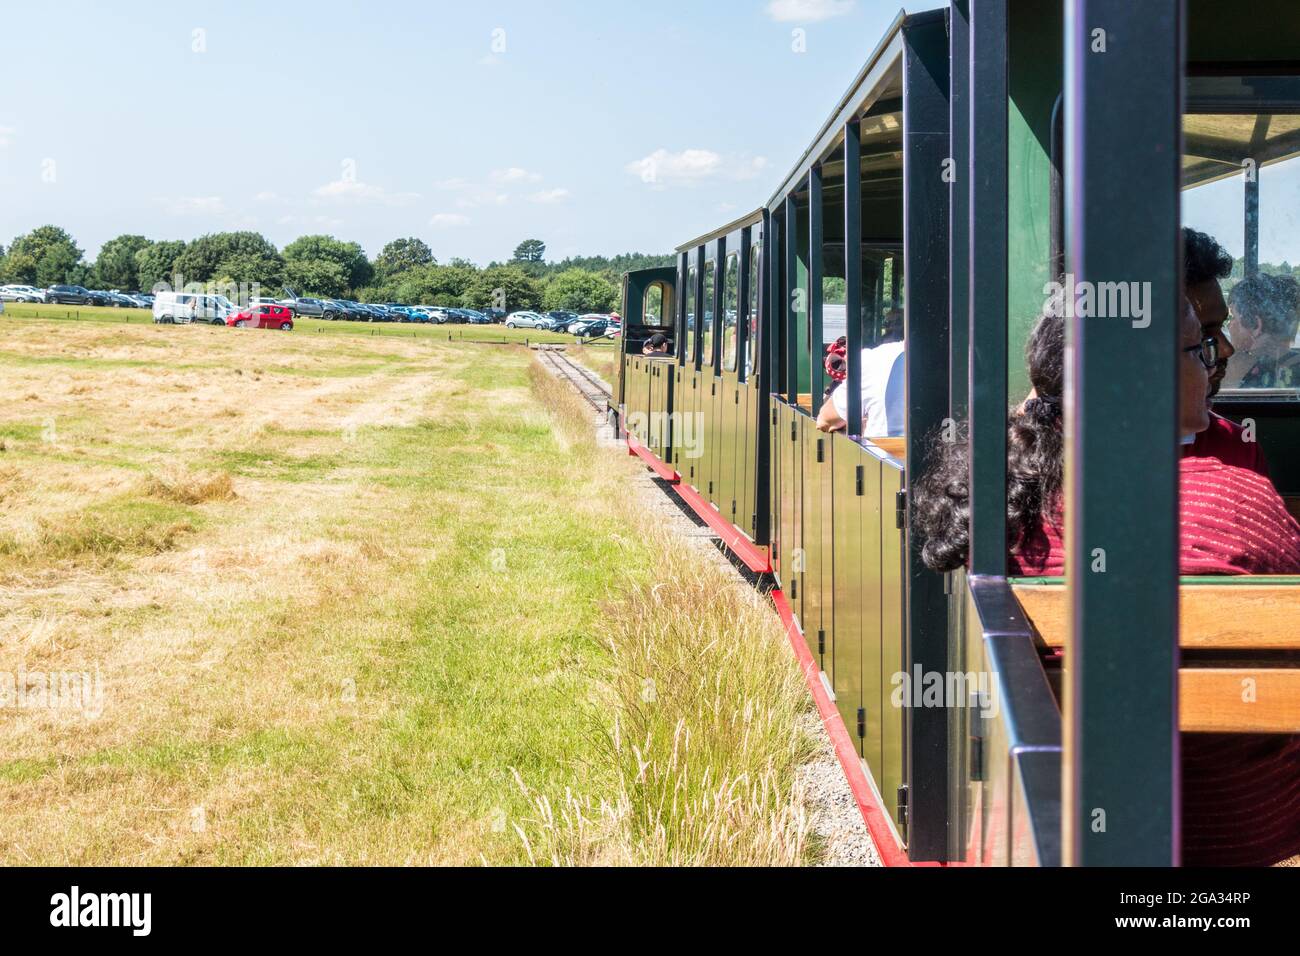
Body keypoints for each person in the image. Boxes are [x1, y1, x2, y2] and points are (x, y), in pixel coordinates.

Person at [914, 306, 1300, 866]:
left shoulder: (1000, 507)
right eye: (1198, 350)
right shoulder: (1236, 499)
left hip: (1061, 819)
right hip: (1237, 823)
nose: (1214, 364)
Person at [1183, 228, 1270, 475]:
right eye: (1201, 335)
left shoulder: (1239, 448)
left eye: (1222, 327)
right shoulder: (1071, 452)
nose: (1227, 349)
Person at [816, 309, 905, 437]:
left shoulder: (875, 358)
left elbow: (824, 420)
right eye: (887, 323)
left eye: (893, 324)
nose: (889, 327)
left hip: (881, 453)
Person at [1223, 272, 1300, 389]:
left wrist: (1235, 358)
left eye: (1233, 317)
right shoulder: (1293, 363)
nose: (1230, 325)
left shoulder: (1248, 370)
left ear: (1256, 326)